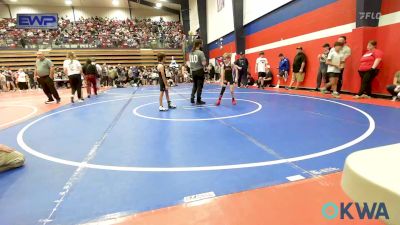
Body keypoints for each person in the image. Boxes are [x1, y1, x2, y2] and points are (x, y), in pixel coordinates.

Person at [189, 39, 207, 105]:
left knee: (195, 85)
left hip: (193, 71)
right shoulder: (200, 52)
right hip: (199, 70)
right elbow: (204, 63)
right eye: (201, 43)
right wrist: (205, 63)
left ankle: (192, 97)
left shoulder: (191, 52)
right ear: (199, 44)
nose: (202, 45)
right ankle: (198, 100)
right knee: (200, 86)